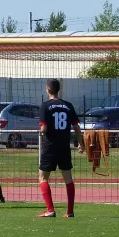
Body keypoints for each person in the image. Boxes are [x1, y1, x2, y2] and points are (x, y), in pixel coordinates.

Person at [38, 79, 84, 218]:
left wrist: (41, 131)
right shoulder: (68, 105)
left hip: (50, 146)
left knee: (43, 177)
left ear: (47, 89)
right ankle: (70, 211)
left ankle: (50, 210)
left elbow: (44, 129)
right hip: (65, 146)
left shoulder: (45, 106)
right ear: (59, 90)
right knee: (68, 179)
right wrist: (80, 144)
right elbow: (76, 127)